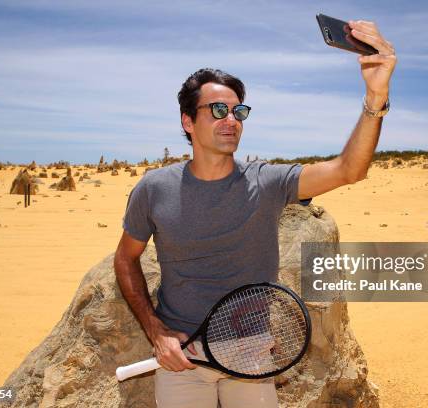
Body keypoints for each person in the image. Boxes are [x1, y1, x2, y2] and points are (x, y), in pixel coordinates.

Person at [114, 19, 396, 408]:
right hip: (182, 360)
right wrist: (156, 332)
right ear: (187, 121)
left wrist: (375, 97)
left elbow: (350, 169)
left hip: (251, 352)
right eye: (217, 110)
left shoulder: (268, 182)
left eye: (238, 111)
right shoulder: (154, 188)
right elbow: (125, 258)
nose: (231, 120)